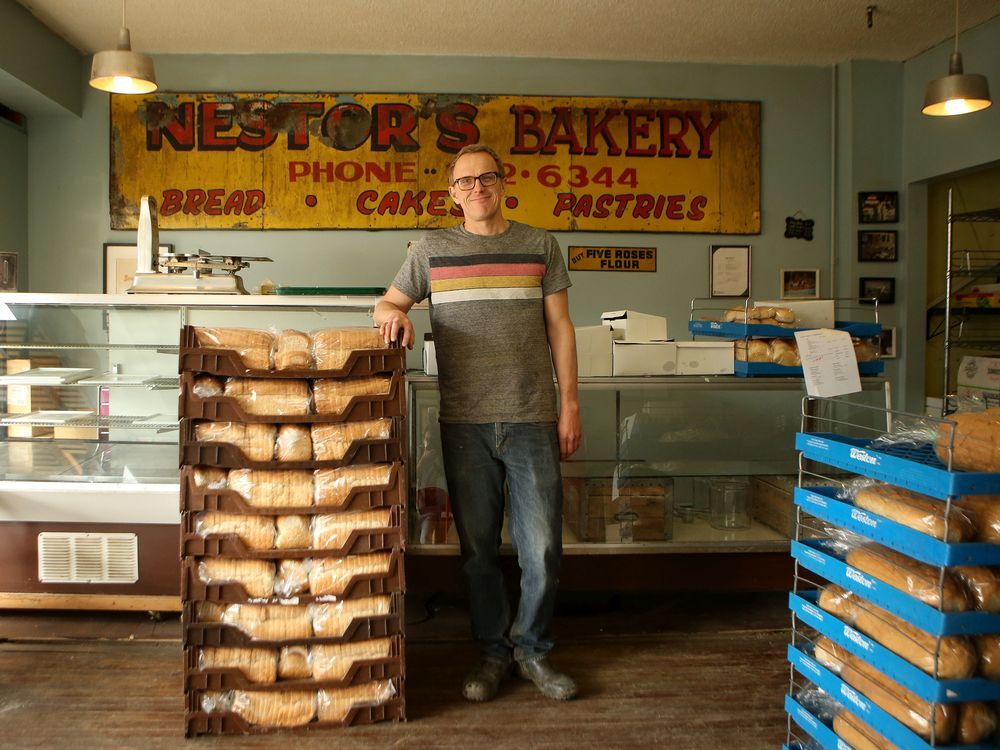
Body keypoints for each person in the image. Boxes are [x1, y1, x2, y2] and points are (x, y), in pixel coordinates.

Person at [374, 143, 582, 702]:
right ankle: (492, 653)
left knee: (542, 550)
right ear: (452, 193)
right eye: (464, 182)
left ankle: (534, 652)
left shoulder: (540, 244)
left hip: (533, 416)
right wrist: (396, 315)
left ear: (503, 184)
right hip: (464, 420)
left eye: (485, 178)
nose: (476, 189)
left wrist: (570, 405)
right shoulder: (431, 249)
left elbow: (561, 328)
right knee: (478, 552)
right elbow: (385, 304)